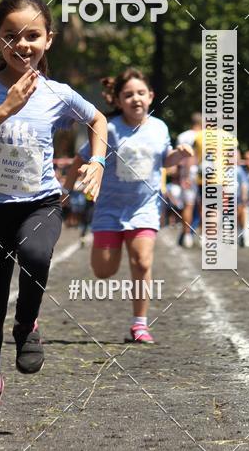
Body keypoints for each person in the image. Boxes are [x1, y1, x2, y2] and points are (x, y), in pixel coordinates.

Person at [0, 0, 107, 431]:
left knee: (35, 255)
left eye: (32, 35)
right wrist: (6, 108)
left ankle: (28, 323)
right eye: (11, 36)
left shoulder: (56, 93)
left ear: (48, 40)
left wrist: (97, 161)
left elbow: (98, 121)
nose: (22, 44)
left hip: (41, 203)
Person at [64, 68, 193, 345]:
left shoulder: (159, 127)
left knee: (142, 262)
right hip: (109, 209)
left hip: (143, 208)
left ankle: (140, 325)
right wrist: (66, 190)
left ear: (151, 96)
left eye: (141, 93)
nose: (136, 98)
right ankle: (115, 247)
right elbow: (81, 158)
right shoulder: (109, 128)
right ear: (119, 100)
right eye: (129, 94)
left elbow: (165, 160)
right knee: (103, 271)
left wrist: (179, 155)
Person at [177, 112, 202, 248]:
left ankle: (187, 236)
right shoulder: (205, 136)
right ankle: (204, 236)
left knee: (188, 205)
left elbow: (182, 158)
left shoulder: (183, 136)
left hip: (187, 172)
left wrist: (185, 175)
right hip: (204, 173)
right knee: (205, 206)